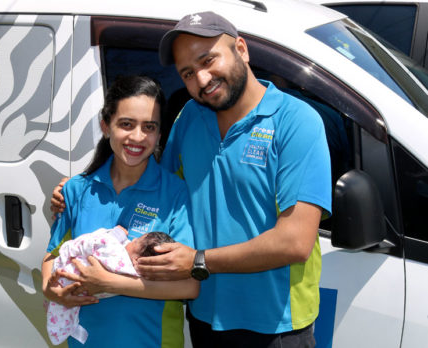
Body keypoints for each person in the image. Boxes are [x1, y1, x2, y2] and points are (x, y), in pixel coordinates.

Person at [51, 11, 332, 347]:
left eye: (208, 60)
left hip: (276, 325)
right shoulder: (189, 119)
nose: (201, 79)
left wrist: (198, 260)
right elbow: (155, 190)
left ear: (241, 49)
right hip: (204, 316)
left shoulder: (297, 121)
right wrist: (77, 190)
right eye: (188, 73)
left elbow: (295, 241)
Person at [42, 75, 199, 348]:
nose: (137, 137)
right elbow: (52, 257)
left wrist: (108, 283)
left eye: (149, 127)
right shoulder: (77, 189)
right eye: (126, 124)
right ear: (106, 126)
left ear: (159, 134)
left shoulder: (175, 193)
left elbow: (189, 286)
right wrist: (52, 291)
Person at [47, 227, 175, 345]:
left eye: (136, 242)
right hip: (70, 278)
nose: (133, 239)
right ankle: (62, 328)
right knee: (65, 310)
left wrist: (116, 234)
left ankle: (61, 327)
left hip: (67, 275)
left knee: (64, 307)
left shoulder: (114, 249)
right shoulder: (139, 275)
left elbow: (98, 241)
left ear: (138, 260)